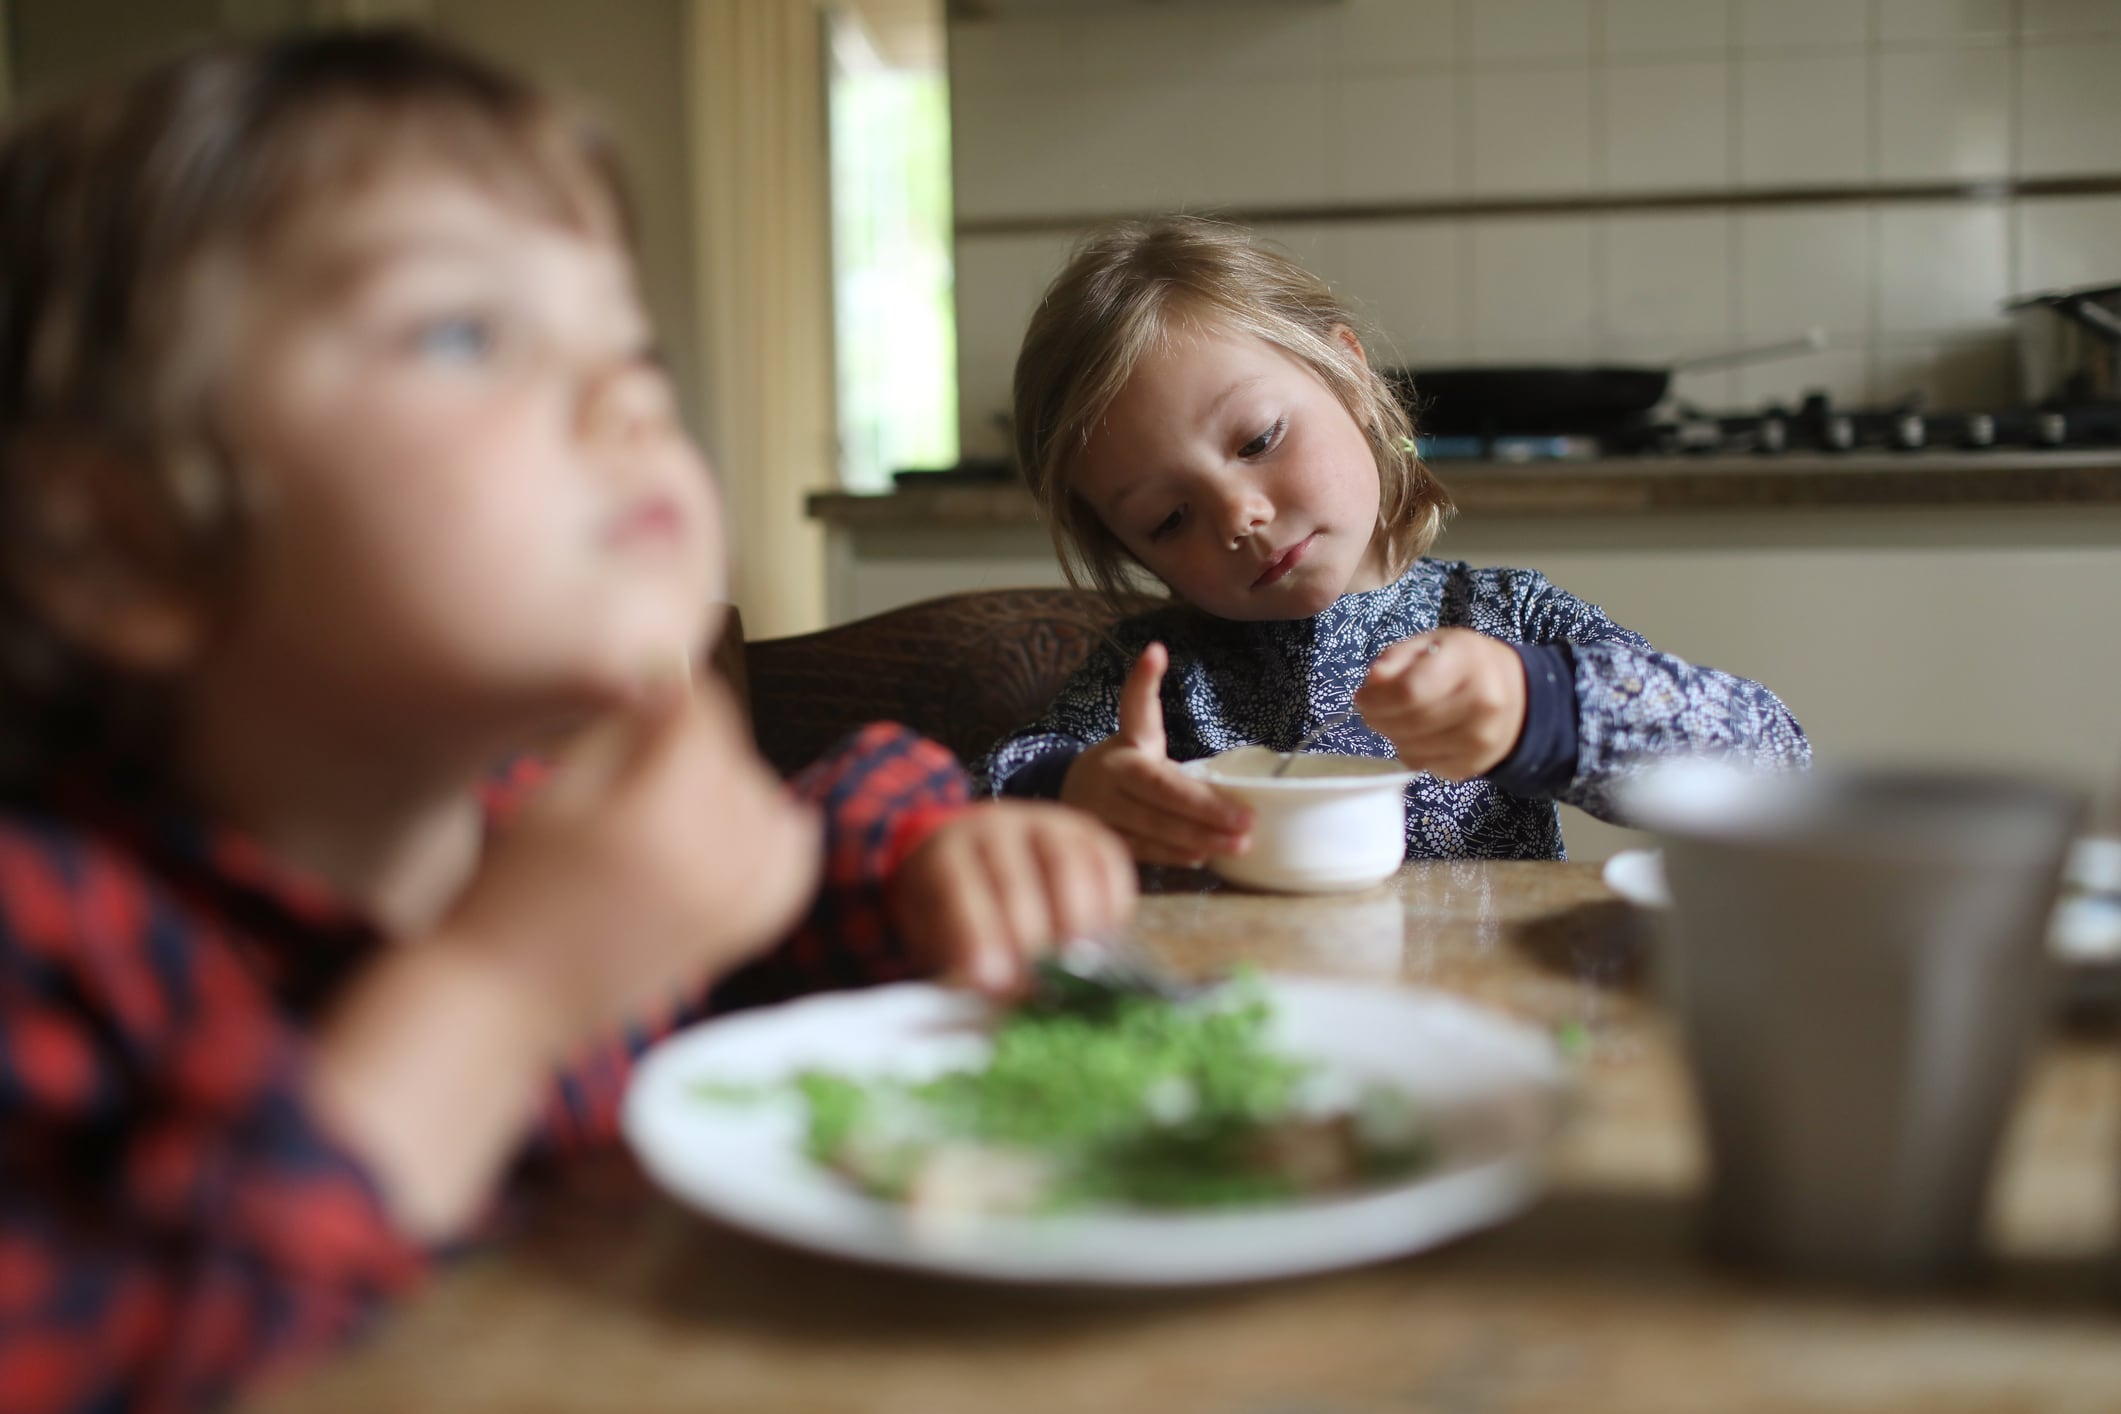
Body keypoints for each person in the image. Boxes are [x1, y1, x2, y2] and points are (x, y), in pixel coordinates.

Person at [0, 31, 1133, 1413]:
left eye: (631, 347)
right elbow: (106, 1346)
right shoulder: (49, 931)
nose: (630, 399)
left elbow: (765, 885)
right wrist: (501, 993)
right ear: (129, 549)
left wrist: (921, 865)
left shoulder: (515, 821)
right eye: (464, 332)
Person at [977, 216, 1809, 864]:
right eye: (1168, 519)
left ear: (1352, 380)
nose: (1237, 517)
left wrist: (1542, 709)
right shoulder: (1152, 678)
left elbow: (1771, 765)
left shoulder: (1501, 620)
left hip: (1484, 1022)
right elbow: (982, 803)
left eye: (1259, 439)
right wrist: (1075, 787)